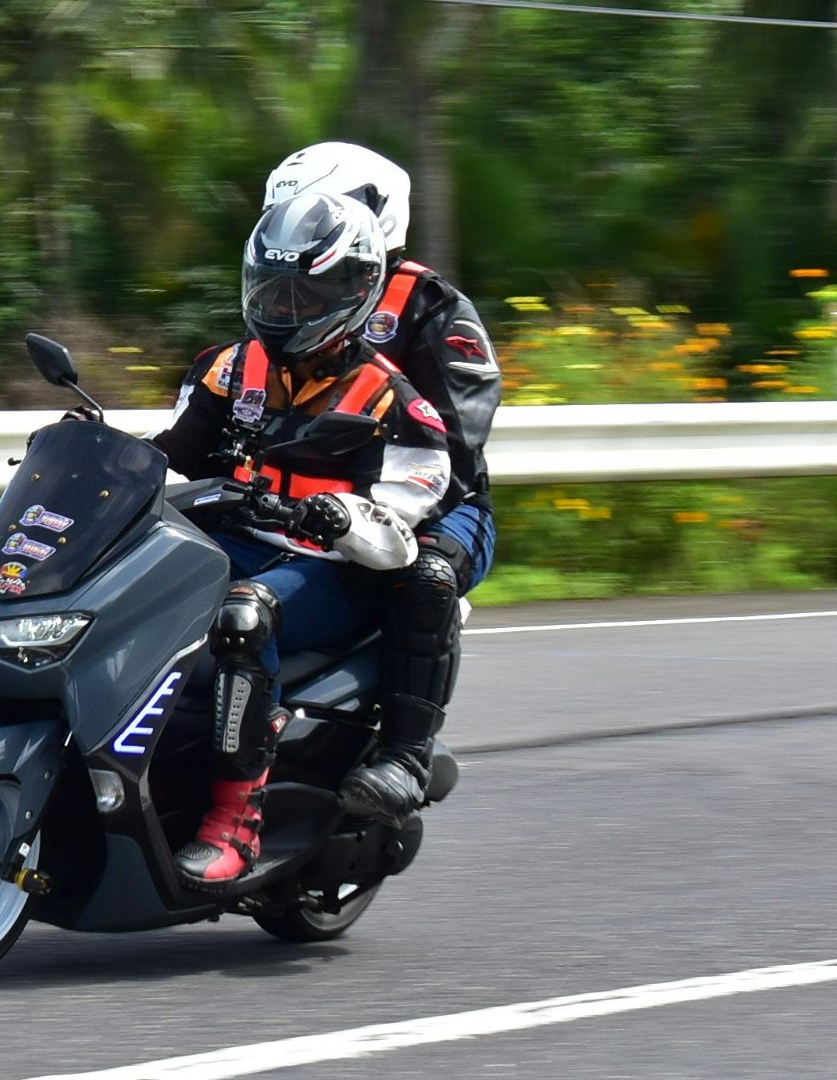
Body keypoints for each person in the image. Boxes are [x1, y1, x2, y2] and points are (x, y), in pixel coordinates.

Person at [150, 191, 455, 888]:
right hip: (238, 540)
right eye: (272, 289)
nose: (284, 308)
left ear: (355, 293)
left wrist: (343, 516)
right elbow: (174, 454)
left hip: (331, 570)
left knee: (243, 616)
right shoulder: (233, 368)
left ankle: (234, 821)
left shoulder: (392, 401)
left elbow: (403, 530)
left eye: (306, 292)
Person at [261, 142, 501, 825]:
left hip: (435, 504)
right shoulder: (290, 291)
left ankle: (406, 755)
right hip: (304, 496)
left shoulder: (432, 307)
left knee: (422, 576)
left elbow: (456, 440)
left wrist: (350, 458)